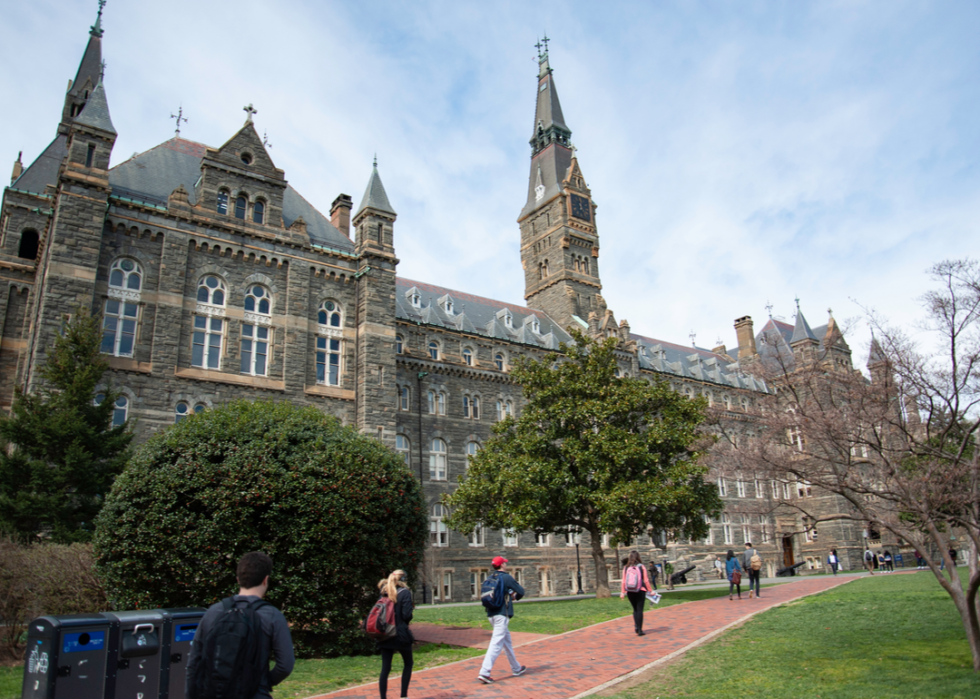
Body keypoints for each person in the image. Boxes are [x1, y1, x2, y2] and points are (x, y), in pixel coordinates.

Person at [186, 552, 294, 699]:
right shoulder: (272, 616)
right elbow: (285, 665)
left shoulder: (213, 612)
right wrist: (262, 682)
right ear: (265, 580)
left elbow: (194, 662)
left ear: (238, 579)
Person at [478, 556, 527, 684]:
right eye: (504, 563)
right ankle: (484, 672)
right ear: (502, 566)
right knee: (496, 643)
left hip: (491, 615)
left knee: (507, 642)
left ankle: (516, 668)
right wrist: (516, 597)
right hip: (501, 615)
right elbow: (521, 591)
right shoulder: (506, 577)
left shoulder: (490, 578)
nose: (506, 564)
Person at [377, 570, 414, 699]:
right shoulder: (405, 593)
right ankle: (403, 696)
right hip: (401, 634)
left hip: (385, 633)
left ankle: (383, 697)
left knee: (385, 668)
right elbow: (406, 615)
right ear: (403, 580)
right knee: (408, 663)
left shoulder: (383, 592)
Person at [620, 550, 653, 636]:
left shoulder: (626, 567)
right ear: (638, 557)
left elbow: (623, 580)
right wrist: (650, 590)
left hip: (630, 591)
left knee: (635, 609)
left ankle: (636, 626)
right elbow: (646, 580)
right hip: (640, 590)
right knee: (639, 610)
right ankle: (640, 629)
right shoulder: (641, 567)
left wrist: (622, 592)